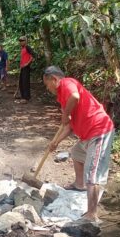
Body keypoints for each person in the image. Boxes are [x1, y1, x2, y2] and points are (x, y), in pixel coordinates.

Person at [43, 66, 115, 223]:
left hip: (99, 131)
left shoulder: (67, 83)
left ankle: (92, 214)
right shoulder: (61, 97)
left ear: (54, 79)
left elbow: (75, 96)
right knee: (76, 152)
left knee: (92, 172)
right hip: (86, 135)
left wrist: (65, 113)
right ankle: (79, 184)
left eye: (47, 84)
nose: (47, 88)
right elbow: (68, 126)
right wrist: (55, 142)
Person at [16, 36, 35, 104]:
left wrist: (27, 63)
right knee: (21, 82)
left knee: (25, 82)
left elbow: (33, 55)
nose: (21, 42)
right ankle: (23, 96)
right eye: (20, 41)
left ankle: (26, 98)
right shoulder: (23, 48)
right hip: (22, 67)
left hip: (26, 68)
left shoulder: (27, 47)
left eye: (22, 40)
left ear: (25, 41)